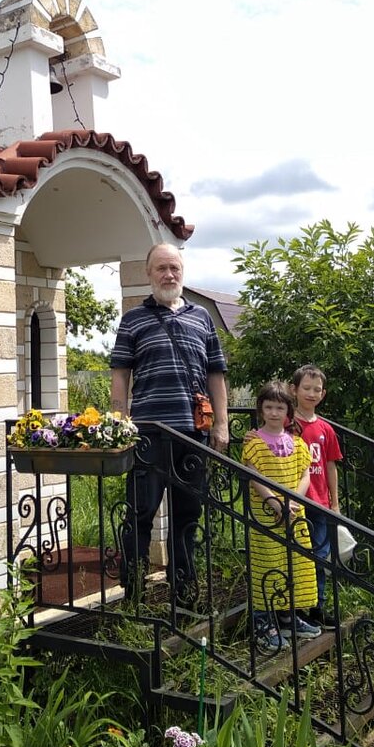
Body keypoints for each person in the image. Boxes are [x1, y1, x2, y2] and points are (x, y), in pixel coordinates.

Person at [110, 243, 229, 607]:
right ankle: (134, 596)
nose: (169, 275)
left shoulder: (202, 318)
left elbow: (216, 374)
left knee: (187, 516)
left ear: (183, 271)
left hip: (192, 435)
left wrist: (221, 425)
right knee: (139, 515)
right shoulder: (133, 320)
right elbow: (120, 376)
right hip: (147, 436)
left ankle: (185, 596)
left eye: (174, 268)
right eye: (161, 268)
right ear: (149, 273)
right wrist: (119, 424)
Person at [242, 381, 321, 652]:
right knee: (268, 566)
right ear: (261, 409)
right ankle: (264, 622)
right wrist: (275, 503)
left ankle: (288, 615)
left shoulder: (297, 444)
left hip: (294, 515)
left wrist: (294, 501)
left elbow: (304, 474)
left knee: (295, 565)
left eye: (279, 407)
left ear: (288, 409)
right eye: (269, 407)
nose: (274, 413)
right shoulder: (254, 444)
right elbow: (254, 475)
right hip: (267, 516)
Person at [289, 364, 343, 629]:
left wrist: (335, 502)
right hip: (295, 502)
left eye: (317, 390)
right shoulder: (287, 424)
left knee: (320, 556)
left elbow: (331, 465)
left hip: (320, 501)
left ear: (323, 394)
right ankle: (295, 606)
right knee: (296, 555)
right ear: (294, 390)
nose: (311, 393)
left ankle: (316, 606)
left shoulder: (325, 429)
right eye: (306, 388)